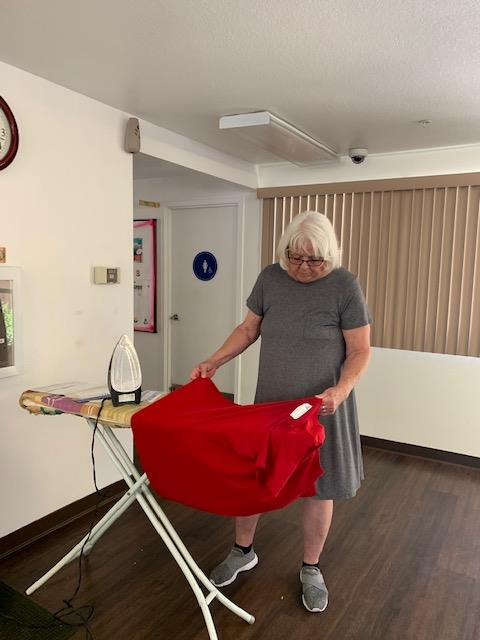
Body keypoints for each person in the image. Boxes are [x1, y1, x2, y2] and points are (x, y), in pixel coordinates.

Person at [190, 211, 371, 613]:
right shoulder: (270, 278)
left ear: (330, 256)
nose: (303, 268)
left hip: (322, 410)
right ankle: (242, 551)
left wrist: (340, 391)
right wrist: (214, 360)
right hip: (270, 406)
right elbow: (248, 329)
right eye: (296, 257)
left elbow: (360, 350)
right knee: (255, 479)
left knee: (318, 489)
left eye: (315, 260)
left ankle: (310, 567)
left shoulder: (344, 285)